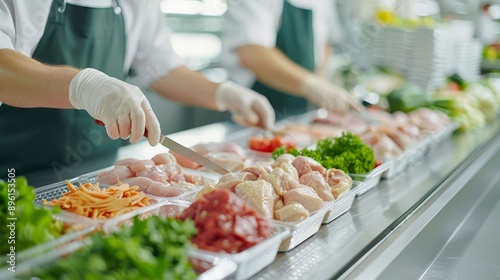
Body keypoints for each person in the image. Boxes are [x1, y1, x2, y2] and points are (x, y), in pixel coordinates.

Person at [0, 0, 275, 179]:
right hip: (13, 179)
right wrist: (83, 85)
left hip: (103, 176)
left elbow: (161, 68)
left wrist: (224, 94)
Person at [221, 0, 361, 119]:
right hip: (250, 113)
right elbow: (251, 52)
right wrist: (312, 84)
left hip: (300, 111)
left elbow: (325, 43)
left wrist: (320, 85)